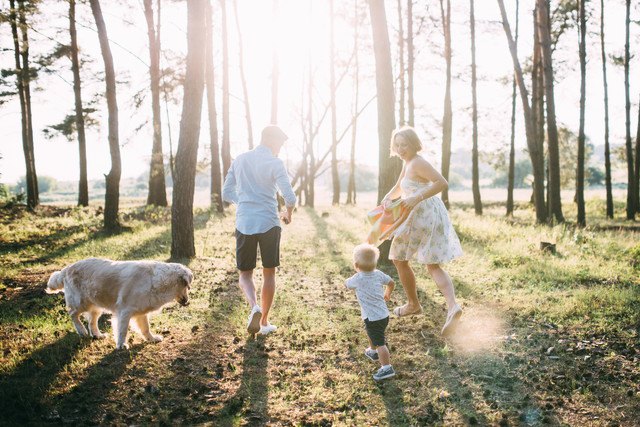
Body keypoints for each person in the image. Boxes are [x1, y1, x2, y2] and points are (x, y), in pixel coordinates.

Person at [381, 126, 463, 335]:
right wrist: (388, 197)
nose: (400, 149)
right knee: (431, 264)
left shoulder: (418, 161)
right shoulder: (407, 162)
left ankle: (413, 304)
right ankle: (452, 306)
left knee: (399, 258)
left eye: (404, 145)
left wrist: (417, 197)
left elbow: (441, 182)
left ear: (414, 144)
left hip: (422, 213)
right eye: (397, 145)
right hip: (420, 213)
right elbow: (400, 185)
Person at [222, 125, 296, 336]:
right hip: (269, 222)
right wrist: (288, 214)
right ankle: (263, 321)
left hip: (245, 222)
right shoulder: (275, 163)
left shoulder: (240, 160)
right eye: (280, 143)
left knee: (245, 274)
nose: (280, 148)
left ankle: (254, 305)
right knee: (269, 273)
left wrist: (243, 202)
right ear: (272, 140)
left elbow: (227, 192)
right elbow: (290, 198)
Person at [345, 243, 396, 381]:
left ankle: (387, 368)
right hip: (383, 315)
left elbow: (347, 284)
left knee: (380, 342)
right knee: (371, 332)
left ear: (356, 265)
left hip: (374, 317)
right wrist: (387, 294)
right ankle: (372, 351)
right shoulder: (379, 274)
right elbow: (391, 282)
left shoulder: (358, 278)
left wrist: (352, 276)